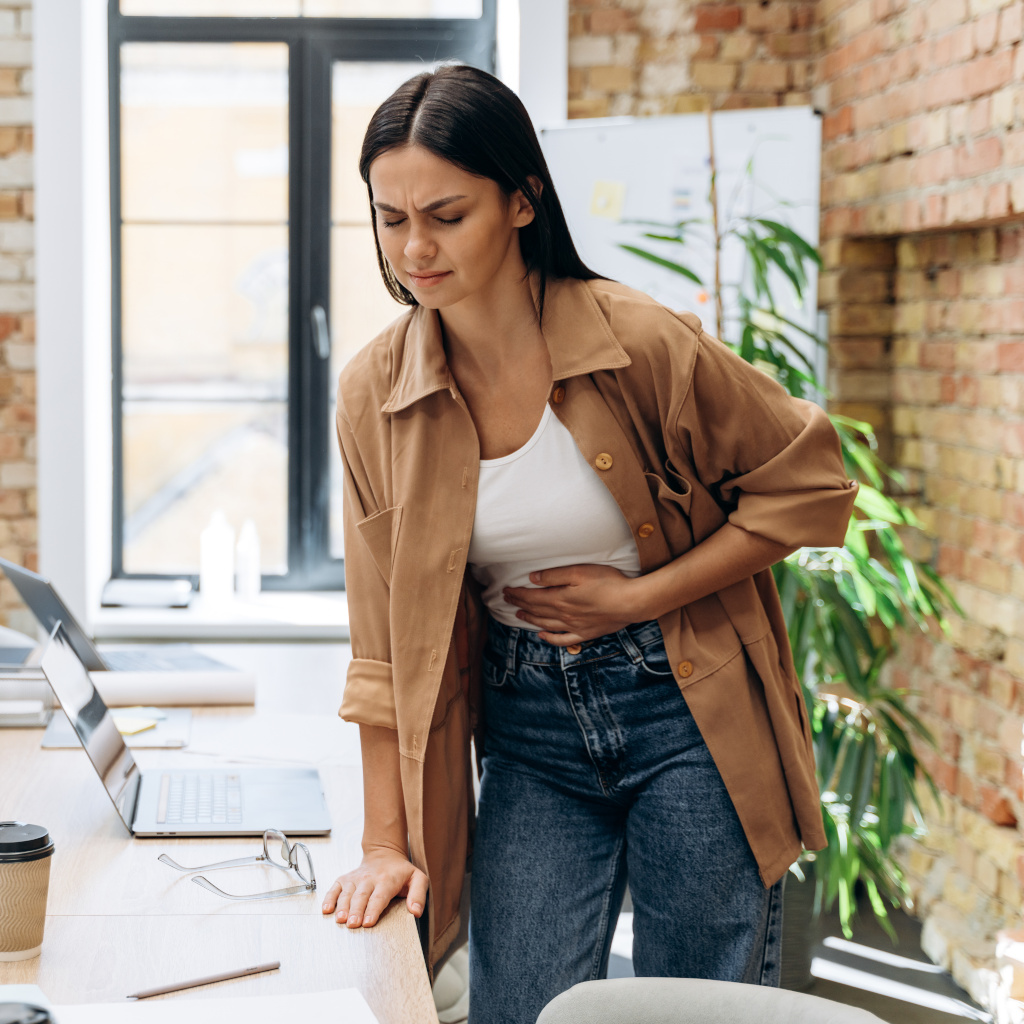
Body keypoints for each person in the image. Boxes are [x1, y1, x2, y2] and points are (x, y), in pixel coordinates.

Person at [320, 63, 858, 1024]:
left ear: (523, 199)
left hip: (686, 712)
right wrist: (382, 843)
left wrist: (639, 599)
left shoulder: (642, 343)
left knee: (695, 1010)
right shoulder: (375, 395)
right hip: (528, 730)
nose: (414, 247)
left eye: (446, 213)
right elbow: (383, 652)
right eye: (391, 218)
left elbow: (809, 486)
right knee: (515, 1008)